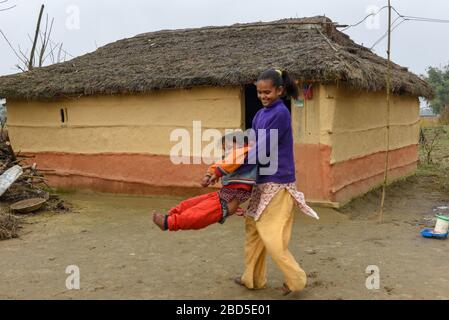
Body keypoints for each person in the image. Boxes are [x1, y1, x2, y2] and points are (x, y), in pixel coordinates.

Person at [231, 69, 320, 296]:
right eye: (260, 92)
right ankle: (252, 278)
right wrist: (232, 156)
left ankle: (296, 281)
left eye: (268, 92)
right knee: (253, 230)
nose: (263, 96)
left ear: (280, 90)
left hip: (278, 182)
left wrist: (231, 166)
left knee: (271, 235)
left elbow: (262, 149)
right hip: (261, 181)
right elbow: (252, 143)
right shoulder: (260, 115)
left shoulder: (280, 113)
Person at [152, 131, 257, 231]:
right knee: (190, 204)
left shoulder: (244, 151)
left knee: (197, 214)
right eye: (225, 149)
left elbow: (230, 162)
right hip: (222, 195)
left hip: (226, 201)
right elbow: (222, 163)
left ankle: (169, 223)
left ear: (241, 143)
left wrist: (216, 173)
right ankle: (171, 215)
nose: (227, 151)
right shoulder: (232, 155)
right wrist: (209, 174)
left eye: (229, 147)